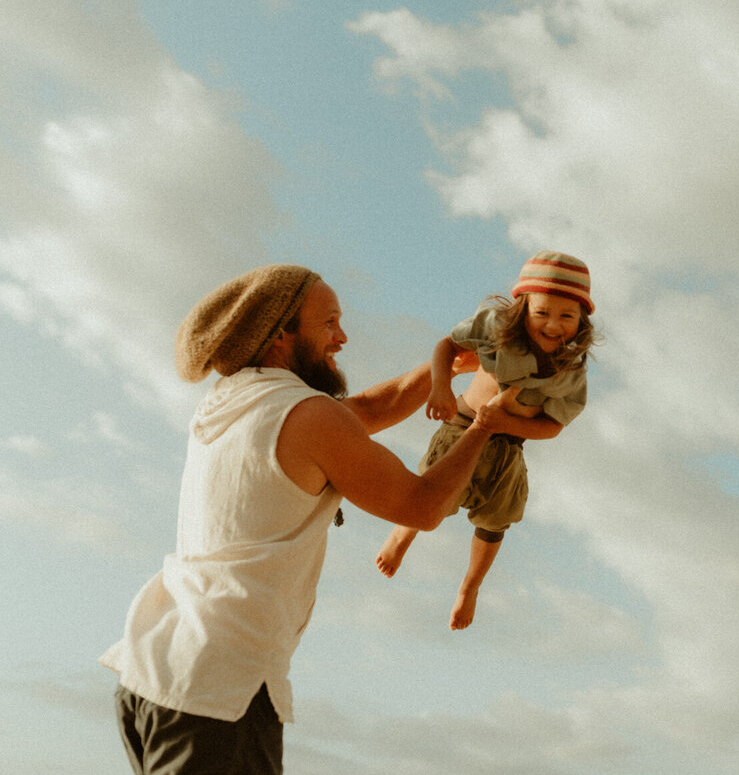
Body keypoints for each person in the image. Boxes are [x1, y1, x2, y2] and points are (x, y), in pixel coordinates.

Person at [101, 264, 497, 775]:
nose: (342, 336)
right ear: (280, 334)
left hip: (152, 675)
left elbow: (365, 412)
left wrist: (447, 368)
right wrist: (485, 423)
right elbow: (422, 507)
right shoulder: (310, 417)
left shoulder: (233, 399)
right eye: (329, 322)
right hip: (221, 693)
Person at [375, 250, 596, 630]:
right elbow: (447, 345)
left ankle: (470, 586)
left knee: (496, 520)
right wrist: (441, 388)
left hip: (508, 448)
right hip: (461, 427)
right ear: (522, 308)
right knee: (431, 495)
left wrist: (506, 422)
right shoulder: (496, 330)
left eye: (567, 316)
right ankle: (401, 535)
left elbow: (553, 425)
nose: (554, 325)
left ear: (582, 321)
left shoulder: (569, 372)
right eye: (542, 312)